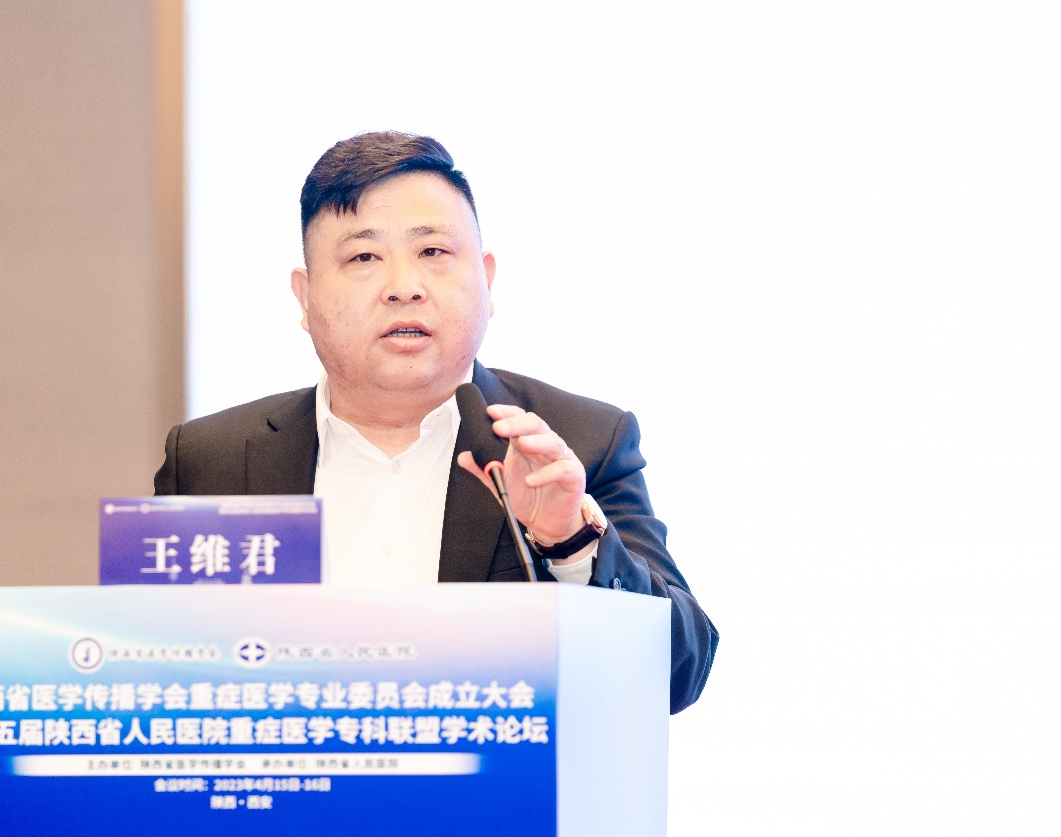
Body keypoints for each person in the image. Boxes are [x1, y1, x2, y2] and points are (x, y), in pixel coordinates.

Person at [155, 131, 717, 713]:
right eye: (363, 258)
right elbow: (156, 670)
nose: (404, 288)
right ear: (305, 296)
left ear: (487, 281)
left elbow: (677, 676)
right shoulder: (213, 461)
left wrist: (569, 543)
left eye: (433, 252)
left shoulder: (576, 444)